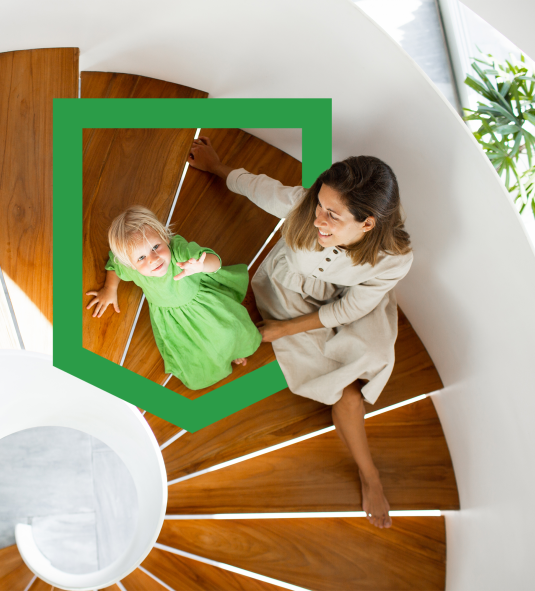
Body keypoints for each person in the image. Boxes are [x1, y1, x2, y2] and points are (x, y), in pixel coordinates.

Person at [188, 137, 413, 529]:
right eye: (319, 205)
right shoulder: (305, 209)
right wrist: (218, 167)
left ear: (367, 223)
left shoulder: (394, 259)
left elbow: (350, 308)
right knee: (346, 393)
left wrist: (283, 330)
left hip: (348, 302)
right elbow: (260, 187)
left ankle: (369, 473)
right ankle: (369, 473)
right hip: (291, 290)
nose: (317, 220)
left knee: (367, 358)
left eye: (332, 215)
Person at [85, 205, 262, 390]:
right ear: (130, 264)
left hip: (204, 306)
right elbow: (114, 266)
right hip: (173, 320)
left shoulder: (178, 251)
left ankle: (235, 351)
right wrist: (109, 288)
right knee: (193, 350)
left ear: (164, 236)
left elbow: (213, 261)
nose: (153, 259)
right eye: (141, 258)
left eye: (155, 247)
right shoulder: (130, 267)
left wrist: (200, 266)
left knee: (227, 333)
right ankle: (217, 359)